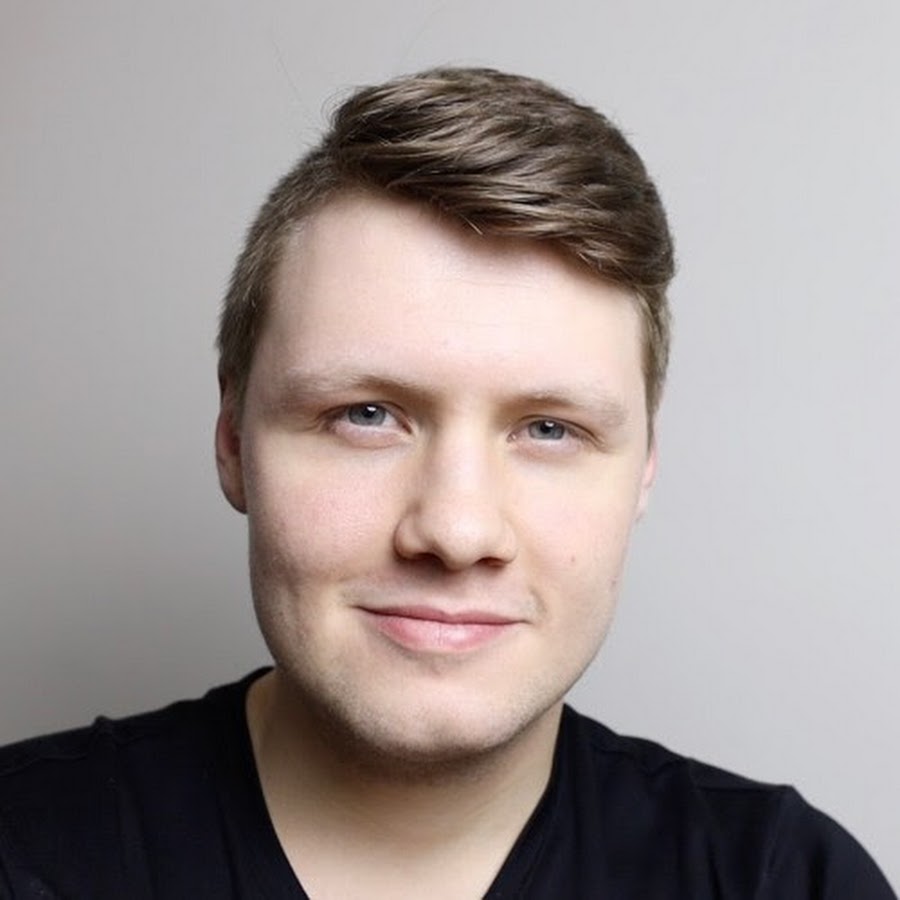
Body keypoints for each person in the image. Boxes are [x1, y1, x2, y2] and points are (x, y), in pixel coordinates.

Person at [0, 67, 894, 900]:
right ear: (233, 440)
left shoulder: (785, 881)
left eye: (550, 429)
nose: (457, 531)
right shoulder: (23, 850)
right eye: (366, 415)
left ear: (644, 470)